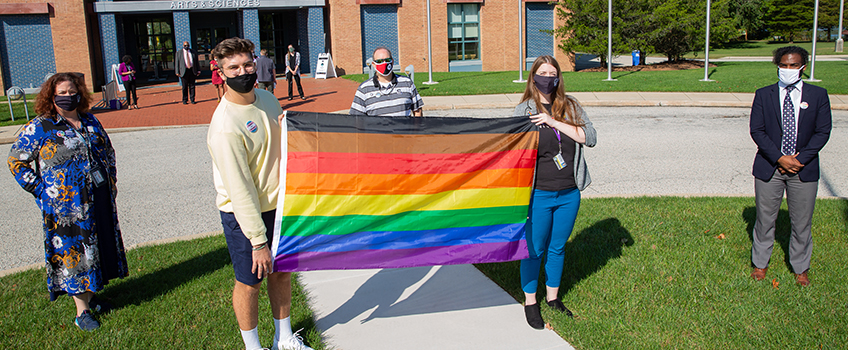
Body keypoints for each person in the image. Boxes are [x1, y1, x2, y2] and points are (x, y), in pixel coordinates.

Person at [207, 37, 313, 350]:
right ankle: (253, 346)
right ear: (221, 74)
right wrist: (257, 242)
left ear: (256, 63)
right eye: (234, 67)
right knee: (250, 282)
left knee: (281, 273)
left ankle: (283, 338)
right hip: (244, 214)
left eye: (247, 64)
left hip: (278, 206)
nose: (243, 71)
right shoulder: (225, 126)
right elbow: (239, 190)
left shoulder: (267, 98)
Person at [7, 72, 128, 331]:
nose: (67, 96)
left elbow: (107, 151)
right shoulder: (41, 126)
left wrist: (112, 181)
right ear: (50, 96)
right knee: (75, 254)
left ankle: (92, 296)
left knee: (97, 248)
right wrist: (42, 191)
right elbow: (15, 161)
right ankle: (81, 311)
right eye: (61, 93)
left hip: (98, 198)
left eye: (71, 91)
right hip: (66, 207)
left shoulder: (90, 120)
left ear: (80, 93)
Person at [512, 55, 596, 330]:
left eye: (552, 73)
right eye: (542, 73)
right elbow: (512, 150)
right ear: (533, 76)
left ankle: (552, 297)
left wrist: (553, 121)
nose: (547, 78)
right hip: (539, 194)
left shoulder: (570, 106)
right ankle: (530, 302)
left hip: (569, 193)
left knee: (558, 247)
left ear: (559, 77)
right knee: (534, 250)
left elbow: (590, 137)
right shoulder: (524, 110)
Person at [749, 46, 832, 287]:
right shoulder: (764, 94)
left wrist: (799, 159)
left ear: (803, 67)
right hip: (770, 167)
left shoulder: (817, 95)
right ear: (777, 65)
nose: (787, 69)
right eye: (783, 65)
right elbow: (757, 130)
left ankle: (800, 268)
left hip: (803, 169)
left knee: (802, 221)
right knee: (765, 219)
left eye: (793, 65)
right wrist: (779, 158)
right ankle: (760, 264)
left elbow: (822, 131)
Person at [350, 47, 423, 116]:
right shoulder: (364, 89)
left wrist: (416, 128)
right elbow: (356, 119)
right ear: (374, 64)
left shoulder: (407, 83)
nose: (384, 63)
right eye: (379, 61)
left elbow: (417, 111)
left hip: (403, 129)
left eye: (387, 60)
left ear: (392, 61)